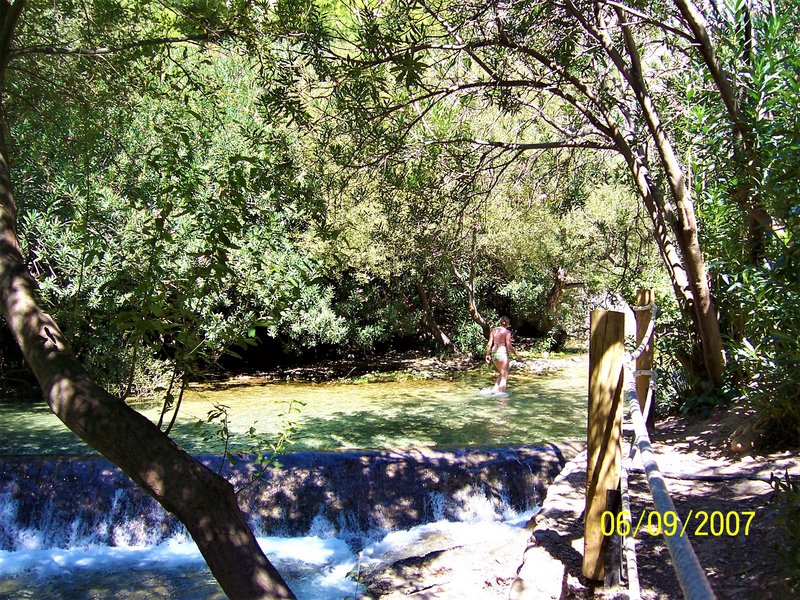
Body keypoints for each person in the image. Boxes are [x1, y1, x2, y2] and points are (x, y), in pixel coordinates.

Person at [485, 316, 520, 392]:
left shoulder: (494, 330)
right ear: (507, 323)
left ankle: (495, 389)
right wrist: (517, 356)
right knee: (504, 377)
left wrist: (487, 354)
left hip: (494, 354)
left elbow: (489, 344)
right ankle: (502, 399)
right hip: (502, 354)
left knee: (502, 373)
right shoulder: (507, 332)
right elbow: (509, 346)